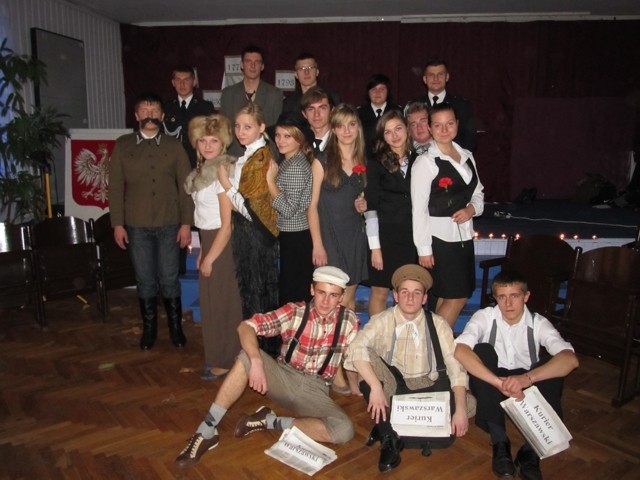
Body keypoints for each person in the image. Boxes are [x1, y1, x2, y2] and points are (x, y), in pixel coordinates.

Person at [174, 266, 359, 468]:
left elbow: (354, 358)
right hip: (283, 378)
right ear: (312, 290)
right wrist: (256, 360)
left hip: (316, 390)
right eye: (321, 292)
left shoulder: (349, 321)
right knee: (246, 356)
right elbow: (246, 326)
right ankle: (207, 430)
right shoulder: (295, 312)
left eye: (333, 295)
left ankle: (269, 421)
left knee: (344, 430)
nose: (325, 301)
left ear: (342, 297)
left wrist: (360, 386)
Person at [454, 270, 579, 480]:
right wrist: (497, 382)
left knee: (553, 364)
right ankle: (500, 442)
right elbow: (460, 350)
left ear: (526, 296)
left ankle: (531, 451)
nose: (508, 304)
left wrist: (526, 379)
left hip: (526, 382)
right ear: (495, 298)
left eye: (514, 296)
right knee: (482, 351)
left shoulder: (538, 322)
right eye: (502, 297)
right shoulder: (485, 316)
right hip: (493, 383)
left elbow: (570, 359)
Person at [345, 264, 469, 473]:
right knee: (365, 357)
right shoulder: (382, 320)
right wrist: (375, 386)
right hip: (393, 384)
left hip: (427, 383)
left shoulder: (438, 324)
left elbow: (455, 366)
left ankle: (385, 421)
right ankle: (388, 437)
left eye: (416, 293)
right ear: (395, 296)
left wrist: (461, 410)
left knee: (468, 405)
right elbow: (356, 346)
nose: (410, 298)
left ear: (424, 298)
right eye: (404, 292)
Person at [109, 92, 193, 350]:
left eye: (154, 111)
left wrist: (186, 223)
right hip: (136, 224)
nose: (149, 115)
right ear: (136, 115)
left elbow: (186, 186)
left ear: (162, 116)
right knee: (145, 279)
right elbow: (115, 187)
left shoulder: (174, 145)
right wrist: (118, 224)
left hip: (169, 222)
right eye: (144, 111)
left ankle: (176, 329)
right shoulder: (123, 145)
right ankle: (149, 331)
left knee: (169, 278)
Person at [411, 102, 484, 328]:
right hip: (439, 239)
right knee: (456, 297)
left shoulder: (467, 155)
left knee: (445, 297)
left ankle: (431, 345)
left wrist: (471, 209)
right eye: (438, 125)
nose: (444, 129)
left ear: (457, 125)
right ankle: (435, 344)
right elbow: (419, 210)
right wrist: (424, 249)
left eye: (449, 123)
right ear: (430, 128)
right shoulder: (425, 162)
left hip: (464, 237)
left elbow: (478, 193)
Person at [217, 102, 280, 356]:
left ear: (261, 127)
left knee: (257, 294)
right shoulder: (248, 156)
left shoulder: (261, 158)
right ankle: (259, 351)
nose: (241, 132)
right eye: (238, 126)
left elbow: (250, 210)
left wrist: (225, 183)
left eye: (248, 127)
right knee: (256, 293)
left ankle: (261, 352)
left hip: (256, 236)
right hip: (248, 234)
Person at [184, 114, 242, 380]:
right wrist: (202, 253)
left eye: (214, 141)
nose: (208, 146)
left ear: (223, 143)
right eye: (203, 140)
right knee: (212, 303)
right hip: (209, 240)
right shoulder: (201, 173)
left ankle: (228, 359)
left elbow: (227, 224)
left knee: (224, 303)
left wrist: (210, 257)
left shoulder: (222, 172)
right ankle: (218, 355)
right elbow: (201, 217)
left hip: (223, 242)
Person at [309, 103, 368, 311]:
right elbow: (312, 206)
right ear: (333, 130)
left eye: (351, 124)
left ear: (358, 127)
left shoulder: (363, 161)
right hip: (329, 238)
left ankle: (345, 334)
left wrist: (363, 205)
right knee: (329, 301)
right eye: (341, 126)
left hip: (354, 238)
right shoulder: (322, 161)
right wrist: (317, 244)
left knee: (348, 299)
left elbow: (363, 199)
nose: (347, 130)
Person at [364, 110, 418, 317]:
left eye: (398, 128)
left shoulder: (420, 160)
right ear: (382, 137)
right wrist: (375, 248)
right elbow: (370, 208)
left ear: (407, 129)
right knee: (380, 291)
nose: (394, 135)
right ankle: (376, 336)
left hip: (411, 238)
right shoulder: (376, 163)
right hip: (385, 238)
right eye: (388, 132)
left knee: (406, 291)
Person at [265, 114, 315, 304]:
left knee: (294, 291)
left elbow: (288, 209)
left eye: (287, 136)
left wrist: (270, 182)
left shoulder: (296, 166)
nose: (280, 140)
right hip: (292, 235)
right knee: (292, 288)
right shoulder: (289, 161)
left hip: (296, 236)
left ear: (299, 139)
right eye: (278, 135)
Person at [220, 45, 282, 156]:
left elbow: (276, 131)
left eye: (257, 62)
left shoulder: (274, 94)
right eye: (248, 61)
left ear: (262, 66)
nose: (253, 66)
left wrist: (271, 157)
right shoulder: (228, 94)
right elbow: (224, 130)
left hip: (264, 157)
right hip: (233, 157)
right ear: (241, 65)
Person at [163, 64, 215, 169]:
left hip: (197, 162)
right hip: (171, 162)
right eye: (178, 80)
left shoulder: (205, 107)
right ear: (173, 82)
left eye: (186, 80)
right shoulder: (166, 107)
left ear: (194, 82)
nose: (182, 84)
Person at [419, 58, 477, 151]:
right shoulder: (415, 105)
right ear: (425, 79)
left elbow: (470, 141)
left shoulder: (463, 106)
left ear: (447, 77)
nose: (436, 78)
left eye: (440, 74)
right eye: (431, 75)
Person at [281, 52, 340, 125]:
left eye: (310, 68)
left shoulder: (332, 97)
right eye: (302, 68)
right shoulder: (289, 103)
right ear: (296, 74)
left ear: (317, 72)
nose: (306, 72)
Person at [357, 73, 402, 156]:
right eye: (373, 89)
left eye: (382, 89)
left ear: (388, 91)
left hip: (393, 157)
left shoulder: (398, 112)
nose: (377, 93)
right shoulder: (358, 113)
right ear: (368, 92)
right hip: (366, 158)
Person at [301, 86, 334, 154]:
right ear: (304, 114)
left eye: (322, 108)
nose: (316, 114)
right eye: (311, 109)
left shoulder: (341, 141)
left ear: (332, 111)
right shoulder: (298, 143)